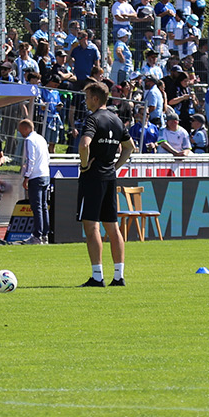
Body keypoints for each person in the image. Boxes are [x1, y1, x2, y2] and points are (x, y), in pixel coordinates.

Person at [77, 80, 134, 287]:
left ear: (95, 98)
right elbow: (130, 147)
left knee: (91, 227)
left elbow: (84, 145)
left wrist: (84, 166)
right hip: (110, 177)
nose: (85, 102)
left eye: (86, 98)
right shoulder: (116, 120)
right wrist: (115, 166)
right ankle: (118, 276)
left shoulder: (92, 119)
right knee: (113, 227)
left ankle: (97, 276)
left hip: (92, 178)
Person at [16, 117, 51, 244]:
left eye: (21, 130)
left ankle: (37, 235)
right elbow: (47, 157)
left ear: (26, 129)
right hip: (45, 174)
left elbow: (31, 159)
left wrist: (27, 176)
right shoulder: (41, 138)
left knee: (37, 207)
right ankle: (44, 234)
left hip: (36, 176)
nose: (20, 133)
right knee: (43, 206)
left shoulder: (30, 140)